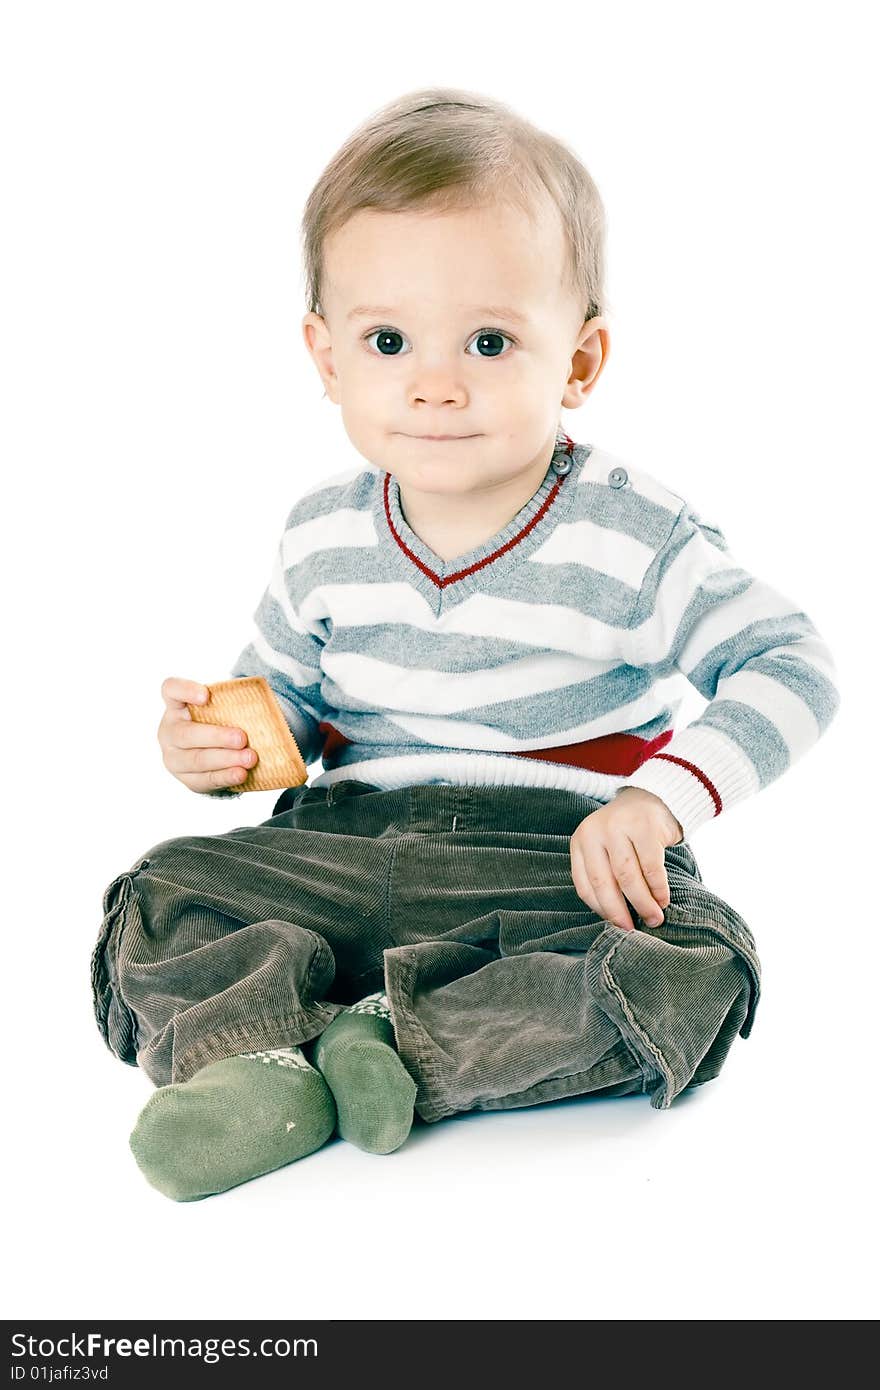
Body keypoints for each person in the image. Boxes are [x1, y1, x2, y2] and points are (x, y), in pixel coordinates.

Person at [91, 86, 840, 1202]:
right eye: (387, 340)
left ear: (579, 363)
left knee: (697, 966)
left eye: (489, 341)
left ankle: (389, 1040)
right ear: (326, 356)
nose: (435, 382)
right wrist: (222, 745)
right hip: (337, 843)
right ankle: (266, 1061)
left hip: (551, 853)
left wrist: (660, 802)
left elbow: (792, 664)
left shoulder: (633, 533)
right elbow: (284, 705)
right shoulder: (322, 534)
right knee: (156, 898)